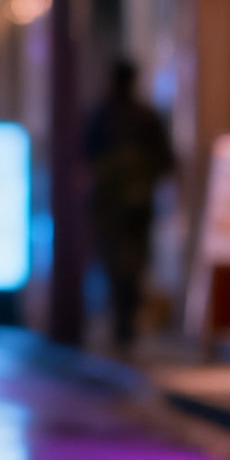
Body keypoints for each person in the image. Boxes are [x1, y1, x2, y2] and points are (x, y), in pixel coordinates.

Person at [83, 57, 177, 347]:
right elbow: (166, 160)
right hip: (136, 205)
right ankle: (125, 320)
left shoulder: (103, 115)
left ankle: (122, 321)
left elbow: (85, 156)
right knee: (132, 263)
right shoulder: (143, 116)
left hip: (116, 207)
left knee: (116, 263)